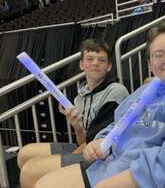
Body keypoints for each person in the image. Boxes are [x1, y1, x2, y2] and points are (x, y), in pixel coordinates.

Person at [34, 22, 165, 188]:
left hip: (133, 175)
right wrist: (101, 139)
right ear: (150, 64)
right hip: (108, 162)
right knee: (37, 177)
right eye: (158, 55)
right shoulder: (145, 90)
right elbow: (117, 123)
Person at [17, 38, 129, 188]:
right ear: (82, 64)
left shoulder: (115, 91)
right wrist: (76, 125)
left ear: (108, 66)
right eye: (90, 59)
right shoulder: (79, 97)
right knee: (25, 154)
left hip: (101, 156)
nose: (95, 63)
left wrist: (66, 159)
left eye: (101, 60)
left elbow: (96, 144)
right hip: (84, 146)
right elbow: (82, 139)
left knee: (31, 171)